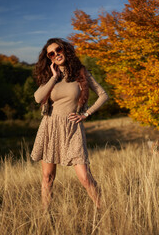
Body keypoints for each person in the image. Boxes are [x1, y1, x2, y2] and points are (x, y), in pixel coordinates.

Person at [31, 38, 108, 209]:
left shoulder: (81, 73)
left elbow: (103, 95)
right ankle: (45, 216)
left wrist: (86, 114)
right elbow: (37, 98)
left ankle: (103, 210)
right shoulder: (51, 77)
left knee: (85, 177)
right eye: (51, 54)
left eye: (58, 50)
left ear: (65, 49)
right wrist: (53, 77)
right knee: (47, 177)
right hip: (50, 127)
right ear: (49, 58)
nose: (56, 54)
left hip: (72, 128)